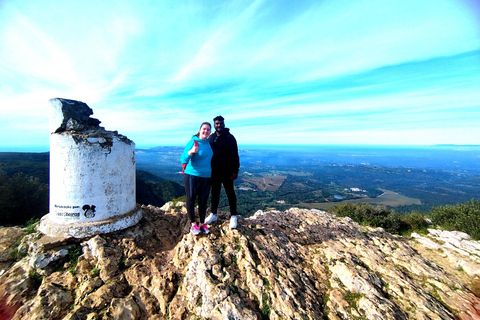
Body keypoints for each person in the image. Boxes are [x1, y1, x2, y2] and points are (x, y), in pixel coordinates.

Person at [205, 115, 240, 228]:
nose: (219, 125)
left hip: (227, 171)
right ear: (214, 125)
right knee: (215, 193)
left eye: (220, 123)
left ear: (224, 124)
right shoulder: (211, 137)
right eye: (217, 123)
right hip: (214, 172)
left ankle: (234, 216)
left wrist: (235, 171)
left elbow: (235, 155)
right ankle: (213, 214)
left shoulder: (230, 138)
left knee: (230, 193)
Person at [180, 122, 213, 235]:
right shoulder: (193, 142)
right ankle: (193, 224)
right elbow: (183, 158)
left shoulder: (208, 143)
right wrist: (191, 151)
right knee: (191, 199)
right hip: (192, 175)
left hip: (206, 176)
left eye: (208, 130)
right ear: (199, 130)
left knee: (203, 200)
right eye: (204, 129)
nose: (206, 131)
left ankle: (202, 223)